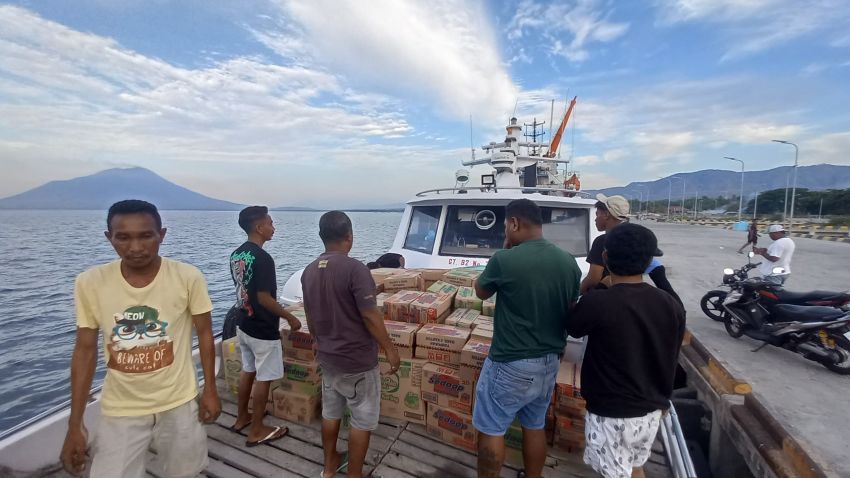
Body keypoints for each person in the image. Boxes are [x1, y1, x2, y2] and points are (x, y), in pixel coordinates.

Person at [60, 200, 221, 477]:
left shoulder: (187, 277)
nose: (135, 247)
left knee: (185, 471)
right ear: (109, 237)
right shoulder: (90, 283)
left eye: (146, 235)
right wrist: (75, 425)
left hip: (178, 400)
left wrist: (210, 390)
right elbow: (84, 351)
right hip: (121, 406)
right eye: (123, 237)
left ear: (162, 234)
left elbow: (205, 334)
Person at [472, 199, 582, 478]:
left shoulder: (504, 259)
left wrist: (505, 250)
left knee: (492, 427)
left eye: (506, 227)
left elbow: (481, 293)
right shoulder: (568, 262)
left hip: (511, 361)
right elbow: (570, 310)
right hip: (549, 363)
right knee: (534, 424)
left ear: (514, 223)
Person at [567, 223, 686, 478]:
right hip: (653, 409)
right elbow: (673, 353)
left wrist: (600, 286)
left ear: (606, 258)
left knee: (613, 472)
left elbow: (573, 326)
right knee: (633, 465)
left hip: (612, 412)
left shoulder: (599, 301)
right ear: (649, 261)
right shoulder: (670, 304)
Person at [301, 211, 401, 478]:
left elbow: (310, 315)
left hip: (328, 359)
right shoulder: (356, 270)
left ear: (322, 237)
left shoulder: (309, 271)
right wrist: (390, 349)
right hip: (357, 361)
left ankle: (329, 467)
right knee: (361, 420)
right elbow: (370, 314)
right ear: (349, 236)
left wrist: (316, 341)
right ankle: (354, 474)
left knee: (331, 413)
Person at [229, 206, 302, 446]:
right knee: (264, 377)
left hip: (243, 323)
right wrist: (290, 318)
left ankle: (242, 418)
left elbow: (245, 291)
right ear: (259, 228)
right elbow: (264, 298)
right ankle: (257, 430)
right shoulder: (263, 258)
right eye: (270, 223)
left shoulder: (237, 254)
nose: (274, 227)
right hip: (261, 328)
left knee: (248, 369)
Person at [580, 194, 630, 294]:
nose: (595, 219)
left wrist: (577, 293)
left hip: (605, 296)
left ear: (607, 215)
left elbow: (593, 279)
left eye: (597, 214)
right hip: (629, 293)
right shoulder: (634, 237)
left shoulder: (603, 241)